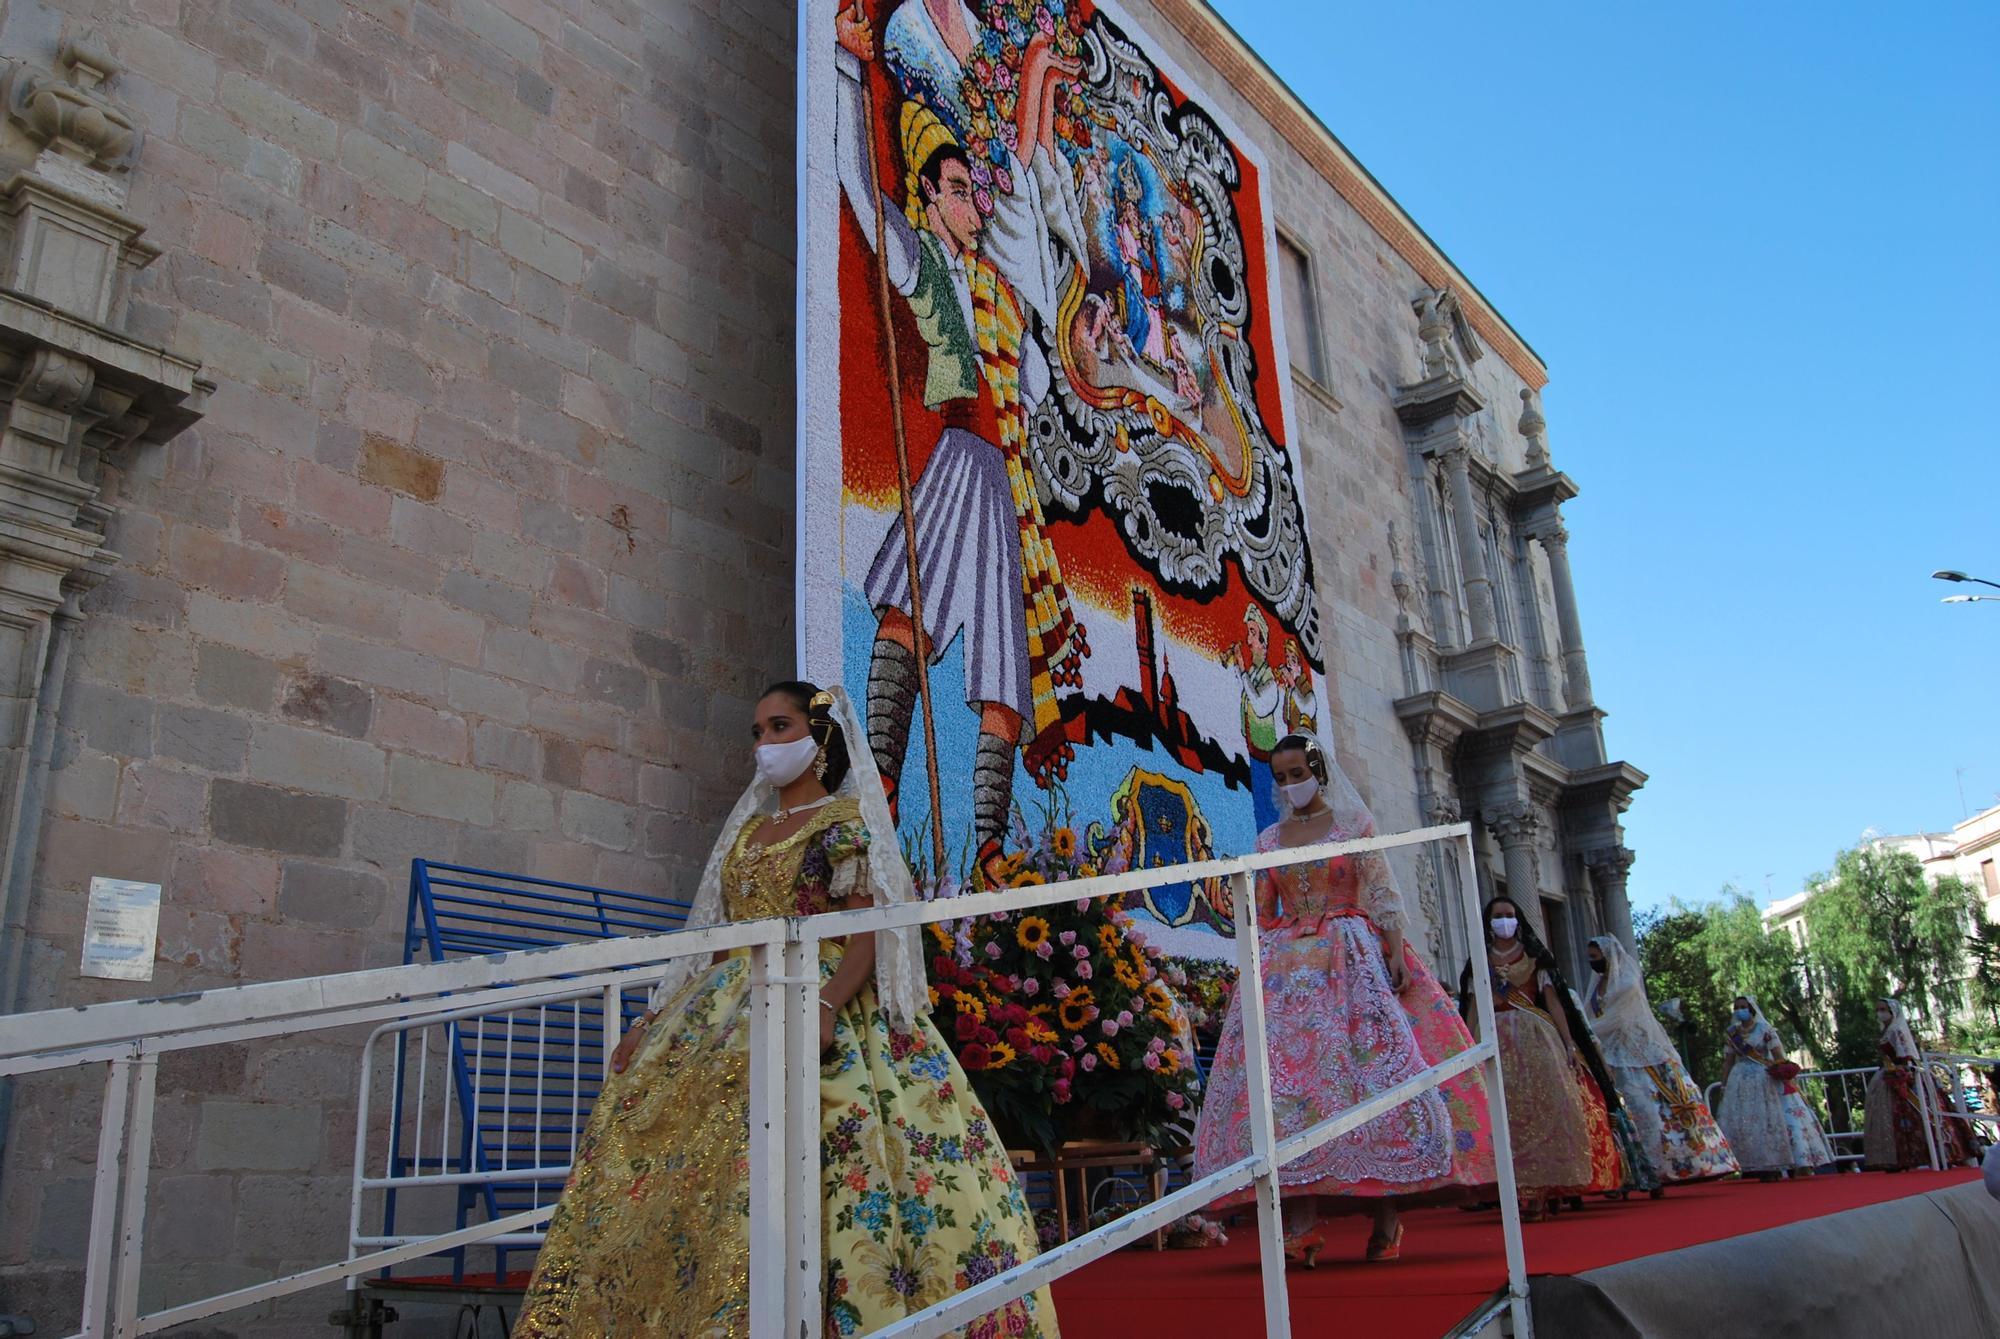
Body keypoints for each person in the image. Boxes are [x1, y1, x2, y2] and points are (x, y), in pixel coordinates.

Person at [513, 683, 1057, 1337]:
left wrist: (827, 1004)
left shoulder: (845, 822)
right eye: (757, 731)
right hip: (727, 1004)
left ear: (818, 737)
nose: (764, 744)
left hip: (817, 989)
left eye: (779, 727)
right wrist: (654, 1024)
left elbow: (868, 932)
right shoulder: (746, 833)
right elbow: (717, 946)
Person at [836, 7, 1090, 889]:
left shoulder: (1008, 291)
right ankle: (872, 793)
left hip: (1007, 488)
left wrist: (1038, 86)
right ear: (930, 197)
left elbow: (1019, 176)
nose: (972, 197)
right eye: (955, 186)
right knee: (904, 615)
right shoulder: (930, 269)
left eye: (970, 187)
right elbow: (860, 189)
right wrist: (843, 68)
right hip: (958, 467)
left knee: (1005, 681)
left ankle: (986, 847)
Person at [1191, 734, 1493, 1266]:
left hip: (1351, 960)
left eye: (1295, 772)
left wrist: (1395, 950)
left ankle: (1387, 1215)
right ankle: (1301, 1219)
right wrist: (1253, 969)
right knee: (1291, 1091)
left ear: (1317, 769)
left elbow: (1381, 891)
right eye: (1280, 776)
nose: (1289, 784)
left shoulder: (1356, 827)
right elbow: (1262, 911)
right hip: (1286, 972)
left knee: (1370, 1078)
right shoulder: (1266, 841)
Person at [1584, 935, 1739, 1184]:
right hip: (1612, 1053)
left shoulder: (1626, 982)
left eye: (1596, 957)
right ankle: (1637, 1170)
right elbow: (1591, 1013)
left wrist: (1584, 1031)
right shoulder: (1598, 986)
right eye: (1590, 958)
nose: (1593, 962)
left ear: (1608, 955)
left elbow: (1617, 1018)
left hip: (1642, 1051)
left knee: (1655, 1106)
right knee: (1632, 1109)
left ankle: (1688, 1163)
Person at [1475, 897, 1594, 1219]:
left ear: (1519, 920)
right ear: (1488, 921)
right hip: (1496, 1039)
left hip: (1535, 1037)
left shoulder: (1535, 958)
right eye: (1498, 916)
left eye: (1510, 915)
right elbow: (1474, 1006)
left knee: (1543, 1109)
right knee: (1505, 1114)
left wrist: (1568, 1042)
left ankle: (1543, 1188)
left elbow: (1553, 1002)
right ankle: (1513, 1189)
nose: (1504, 921)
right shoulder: (1480, 958)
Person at [1715, 995, 1833, 1180]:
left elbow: (1778, 1055)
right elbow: (1728, 1061)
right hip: (1740, 1079)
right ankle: (1750, 1164)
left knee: (1768, 1118)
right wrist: (1724, 1084)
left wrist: (1782, 1072)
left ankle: (1774, 1163)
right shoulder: (1732, 1033)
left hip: (1764, 1077)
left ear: (1752, 1009)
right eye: (1736, 1006)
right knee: (1745, 1120)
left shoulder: (1765, 1029)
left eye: (1743, 1006)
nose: (1739, 1009)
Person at [1862, 997, 1980, 1170]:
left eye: (1883, 1009)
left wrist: (1902, 1073)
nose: (1880, 1013)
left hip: (1904, 1073)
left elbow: (1906, 1054)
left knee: (1923, 1113)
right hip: (1889, 1074)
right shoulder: (1886, 1030)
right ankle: (1902, 1158)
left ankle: (1942, 1153)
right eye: (1878, 1009)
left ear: (1892, 1011)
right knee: (1892, 1116)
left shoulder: (1897, 1029)